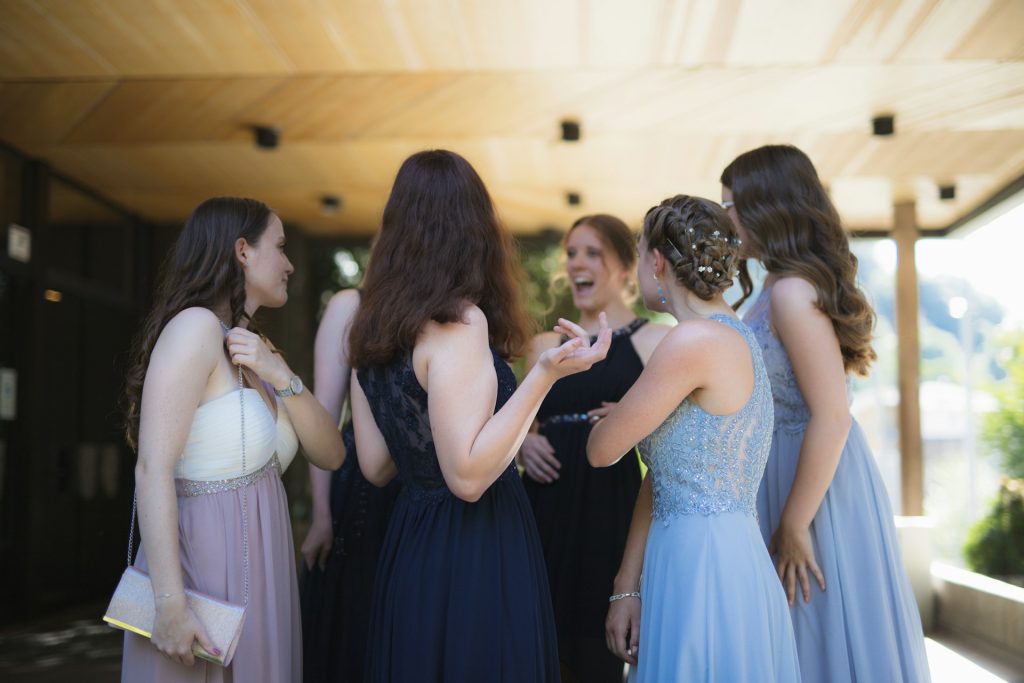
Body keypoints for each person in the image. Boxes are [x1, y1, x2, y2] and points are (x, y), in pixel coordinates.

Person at [348, 149, 612, 683]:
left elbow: (375, 464)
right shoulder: (458, 321)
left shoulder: (373, 326)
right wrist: (544, 376)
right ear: (472, 227)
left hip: (412, 544)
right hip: (474, 544)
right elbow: (467, 478)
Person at [722, 144, 930, 681]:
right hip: (782, 471)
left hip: (813, 485)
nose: (726, 219)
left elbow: (832, 415)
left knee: (815, 630)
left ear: (768, 205)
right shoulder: (773, 286)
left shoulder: (792, 292)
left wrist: (794, 521)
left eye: (732, 205)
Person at [120, 197, 345, 682]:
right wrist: (170, 604)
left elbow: (331, 453)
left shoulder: (255, 350)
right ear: (243, 251)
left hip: (263, 566)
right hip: (200, 567)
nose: (288, 264)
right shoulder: (194, 328)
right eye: (280, 247)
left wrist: (281, 374)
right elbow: (151, 469)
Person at [589, 194, 801, 681]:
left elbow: (600, 450)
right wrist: (627, 587)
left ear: (657, 261)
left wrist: (606, 395)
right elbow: (665, 473)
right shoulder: (737, 335)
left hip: (701, 564)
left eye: (641, 252)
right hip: (719, 553)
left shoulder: (689, 342)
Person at [519, 214, 667, 683]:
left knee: (595, 647)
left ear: (626, 266)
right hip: (544, 500)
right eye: (572, 252)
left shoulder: (654, 340)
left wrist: (631, 415)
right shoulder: (544, 343)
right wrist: (524, 441)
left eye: (592, 252)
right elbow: (514, 418)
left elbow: (669, 433)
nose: (577, 263)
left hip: (610, 504)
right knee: (536, 638)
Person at [299, 287, 400, 683]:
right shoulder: (351, 304)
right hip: (360, 487)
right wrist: (322, 514)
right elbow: (323, 416)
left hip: (421, 486)